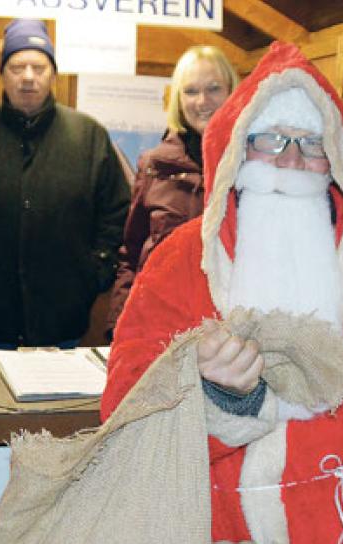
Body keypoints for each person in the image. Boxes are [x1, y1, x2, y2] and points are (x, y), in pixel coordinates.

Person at [100, 42, 343, 544]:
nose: (290, 160)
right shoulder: (178, 264)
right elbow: (125, 416)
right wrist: (216, 399)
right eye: (270, 140)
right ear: (237, 149)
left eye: (311, 143)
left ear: (336, 156)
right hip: (209, 530)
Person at [0, 18, 131, 348]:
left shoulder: (89, 136)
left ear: (53, 75)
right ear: (2, 74)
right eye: (17, 67)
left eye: (39, 67)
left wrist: (95, 273)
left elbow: (116, 212)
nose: (28, 77)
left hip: (63, 323)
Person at [105, 45, 238, 338]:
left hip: (231, 332)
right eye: (190, 91)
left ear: (232, 91)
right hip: (159, 326)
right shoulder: (154, 165)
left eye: (213, 88)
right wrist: (120, 327)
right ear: (178, 99)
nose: (202, 101)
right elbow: (131, 255)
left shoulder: (252, 163)